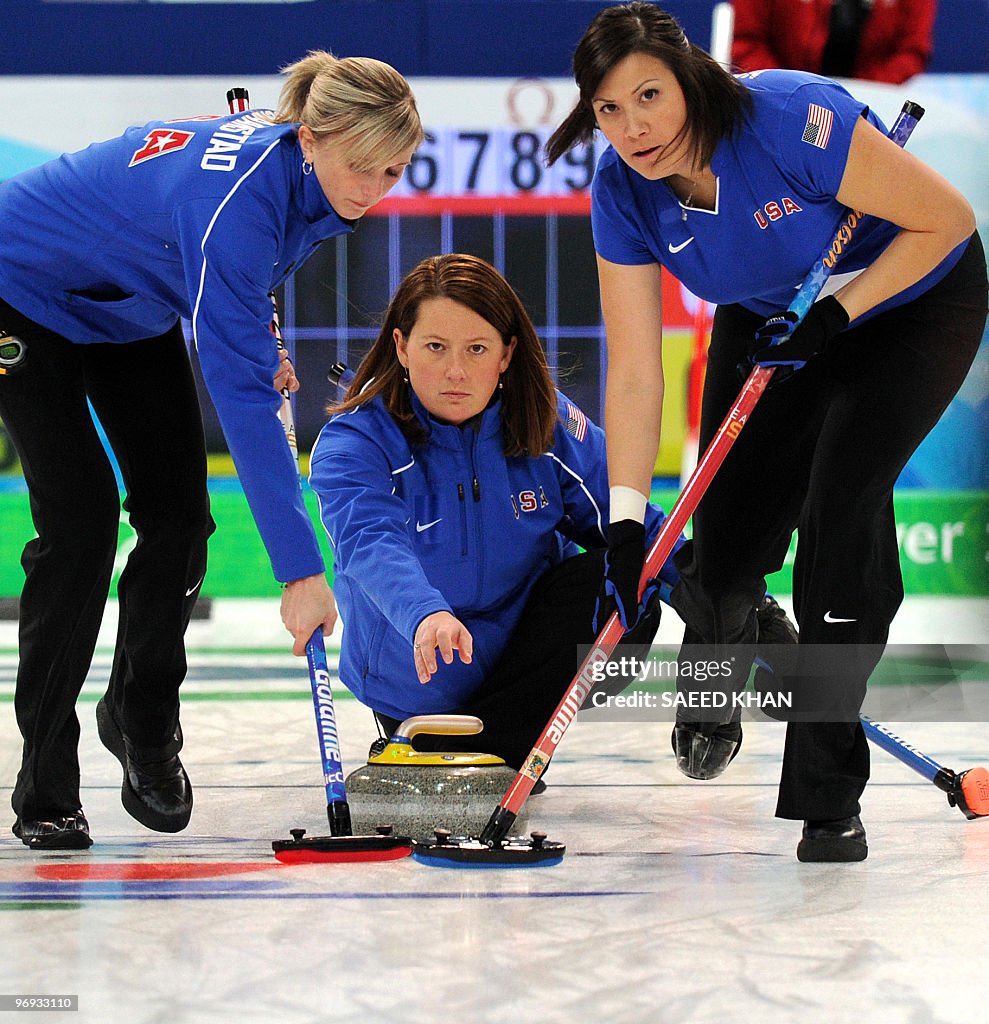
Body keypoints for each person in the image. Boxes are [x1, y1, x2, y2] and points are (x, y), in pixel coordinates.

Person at [546, 2, 986, 861]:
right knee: (723, 550)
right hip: (772, 316)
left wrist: (835, 316)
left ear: (689, 79)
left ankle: (827, 798)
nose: (632, 128)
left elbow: (948, 219)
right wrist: (627, 524)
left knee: (839, 519)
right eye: (608, 109)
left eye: (648, 96)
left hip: (909, 299)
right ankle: (725, 653)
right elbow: (634, 371)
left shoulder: (786, 116)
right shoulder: (620, 193)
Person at [0, 51, 423, 849]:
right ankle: (45, 785)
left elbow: (234, 277)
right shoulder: (236, 206)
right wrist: (301, 573)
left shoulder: (299, 172)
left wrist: (254, 335)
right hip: (17, 288)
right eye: (361, 166)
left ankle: (140, 718)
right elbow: (245, 405)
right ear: (309, 139)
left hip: (129, 301)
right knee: (81, 524)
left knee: (180, 520)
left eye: (393, 170)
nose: (374, 188)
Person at [308, 252, 686, 771]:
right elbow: (370, 542)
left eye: (477, 349)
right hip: (424, 667)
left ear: (506, 353)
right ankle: (460, 741)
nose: (456, 371)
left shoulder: (545, 421)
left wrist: (727, 601)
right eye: (435, 347)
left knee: (627, 576)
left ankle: (490, 749)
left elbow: (628, 519)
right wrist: (424, 613)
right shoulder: (355, 441)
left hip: (524, 665)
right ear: (401, 346)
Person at [732, 0, 937, 85]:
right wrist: (794, 91)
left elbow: (912, 51)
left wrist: (858, 100)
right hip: (784, 104)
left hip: (869, 110)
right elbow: (747, 42)